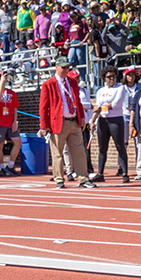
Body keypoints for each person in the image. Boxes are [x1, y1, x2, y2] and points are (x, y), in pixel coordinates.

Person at [39, 58, 96, 189]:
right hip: (58, 123)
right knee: (57, 153)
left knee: (79, 152)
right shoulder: (49, 84)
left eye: (67, 67)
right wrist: (44, 126)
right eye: (63, 67)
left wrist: (81, 117)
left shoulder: (72, 82)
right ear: (57, 67)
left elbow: (77, 101)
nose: (65, 70)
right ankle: (59, 179)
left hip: (74, 121)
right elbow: (43, 106)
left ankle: (83, 178)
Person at [91, 66, 130, 183]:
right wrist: (92, 120)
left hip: (116, 120)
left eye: (114, 76)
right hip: (103, 121)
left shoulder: (121, 88)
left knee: (120, 146)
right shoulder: (100, 91)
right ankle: (100, 173)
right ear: (104, 78)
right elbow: (97, 108)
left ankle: (125, 173)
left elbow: (116, 104)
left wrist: (100, 107)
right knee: (102, 148)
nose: (112, 79)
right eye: (109, 77)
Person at [0, 72, 20, 176]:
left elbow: (15, 108)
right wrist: (1, 84)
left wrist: (15, 121)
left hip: (10, 122)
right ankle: (2, 168)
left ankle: (10, 166)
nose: (2, 79)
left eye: (3, 77)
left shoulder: (12, 93)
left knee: (18, 142)